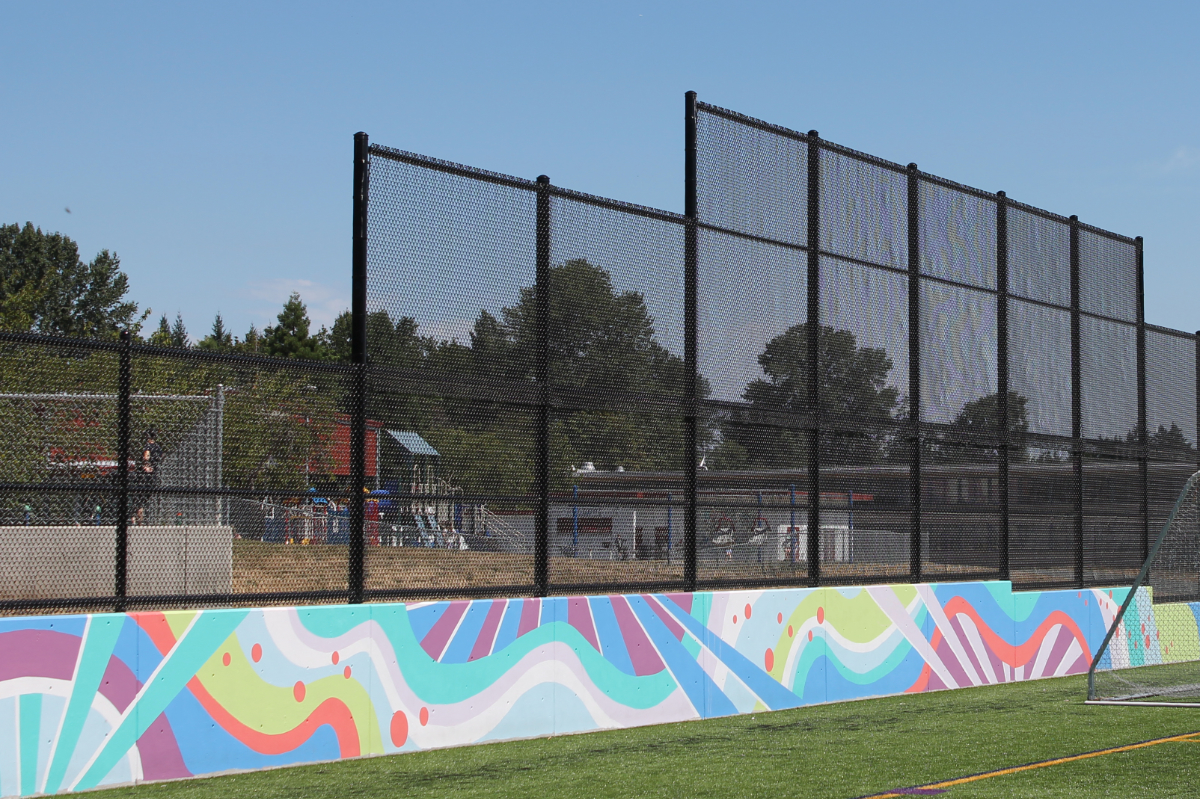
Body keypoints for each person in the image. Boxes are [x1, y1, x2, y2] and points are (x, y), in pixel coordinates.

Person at [133, 430, 163, 524]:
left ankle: (137, 518)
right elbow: (161, 457)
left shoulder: (147, 446)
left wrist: (146, 464)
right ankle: (140, 516)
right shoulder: (158, 447)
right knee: (146, 496)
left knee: (139, 497)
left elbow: (146, 456)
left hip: (146, 474)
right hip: (154, 474)